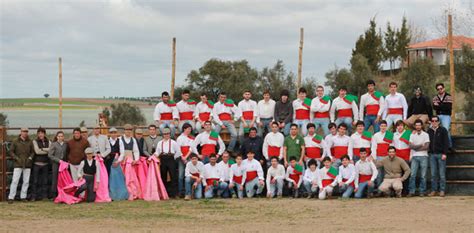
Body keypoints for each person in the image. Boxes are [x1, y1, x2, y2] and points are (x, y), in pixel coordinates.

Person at [8, 128, 34, 204]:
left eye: (26, 132)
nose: (25, 133)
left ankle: (23, 197)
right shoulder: (15, 141)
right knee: (15, 181)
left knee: (26, 181)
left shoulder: (30, 141)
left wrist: (30, 158)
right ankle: (11, 197)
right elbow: (11, 151)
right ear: (21, 132)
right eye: (24, 131)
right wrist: (16, 158)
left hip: (27, 164)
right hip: (18, 164)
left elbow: (33, 152)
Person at [154, 127, 181, 198]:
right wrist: (154, 157)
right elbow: (157, 152)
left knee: (173, 176)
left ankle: (175, 194)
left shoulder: (173, 142)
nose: (166, 135)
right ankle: (164, 193)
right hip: (163, 159)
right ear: (163, 135)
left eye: (168, 134)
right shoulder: (160, 143)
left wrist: (174, 158)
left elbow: (178, 152)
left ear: (170, 134)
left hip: (171, 159)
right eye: (165, 134)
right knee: (163, 176)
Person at [427, 116, 449, 197]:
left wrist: (445, 153)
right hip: (432, 155)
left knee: (442, 174)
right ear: (431, 122)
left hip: (441, 154)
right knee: (433, 174)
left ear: (439, 122)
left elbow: (446, 142)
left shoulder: (443, 130)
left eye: (436, 120)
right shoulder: (429, 131)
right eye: (432, 121)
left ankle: (442, 190)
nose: (434, 122)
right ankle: (434, 190)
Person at [408, 119, 430, 197]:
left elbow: (427, 147)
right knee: (413, 175)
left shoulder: (426, 135)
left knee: (423, 175)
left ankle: (422, 191)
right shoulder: (412, 134)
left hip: (424, 156)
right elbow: (410, 146)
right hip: (414, 156)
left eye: (419, 125)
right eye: (416, 125)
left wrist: (415, 147)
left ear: (421, 126)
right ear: (414, 126)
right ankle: (411, 191)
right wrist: (420, 145)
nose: (418, 126)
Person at [176, 123, 198, 197]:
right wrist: (182, 157)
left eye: (190, 129)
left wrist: (186, 157)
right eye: (188, 129)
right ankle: (180, 192)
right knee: (180, 175)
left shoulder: (192, 138)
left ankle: (189, 192)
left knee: (189, 174)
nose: (189, 130)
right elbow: (178, 148)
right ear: (184, 129)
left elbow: (191, 148)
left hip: (189, 157)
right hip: (181, 158)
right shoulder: (179, 138)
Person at [31, 127, 51, 201]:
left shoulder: (49, 141)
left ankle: (44, 197)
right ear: (37, 134)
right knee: (35, 181)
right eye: (39, 133)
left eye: (42, 133)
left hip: (45, 164)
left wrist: (42, 149)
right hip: (36, 164)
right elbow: (37, 151)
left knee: (45, 181)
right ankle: (33, 197)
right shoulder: (34, 141)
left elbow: (51, 150)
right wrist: (46, 150)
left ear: (44, 134)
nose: (40, 134)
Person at [48, 131, 67, 199]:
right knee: (55, 179)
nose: (60, 137)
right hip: (56, 164)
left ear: (63, 137)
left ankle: (62, 194)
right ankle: (54, 195)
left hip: (63, 165)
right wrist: (58, 160)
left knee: (62, 179)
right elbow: (50, 155)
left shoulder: (65, 144)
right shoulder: (54, 144)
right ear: (57, 137)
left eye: (61, 136)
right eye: (59, 136)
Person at [432, 83, 453, 148]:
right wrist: (443, 105)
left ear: (443, 88)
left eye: (441, 88)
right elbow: (434, 108)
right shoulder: (435, 97)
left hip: (446, 116)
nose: (440, 90)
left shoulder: (448, 96)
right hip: (437, 116)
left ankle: (449, 146)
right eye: (438, 89)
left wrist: (439, 105)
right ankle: (433, 146)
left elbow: (448, 107)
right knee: (431, 128)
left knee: (445, 129)